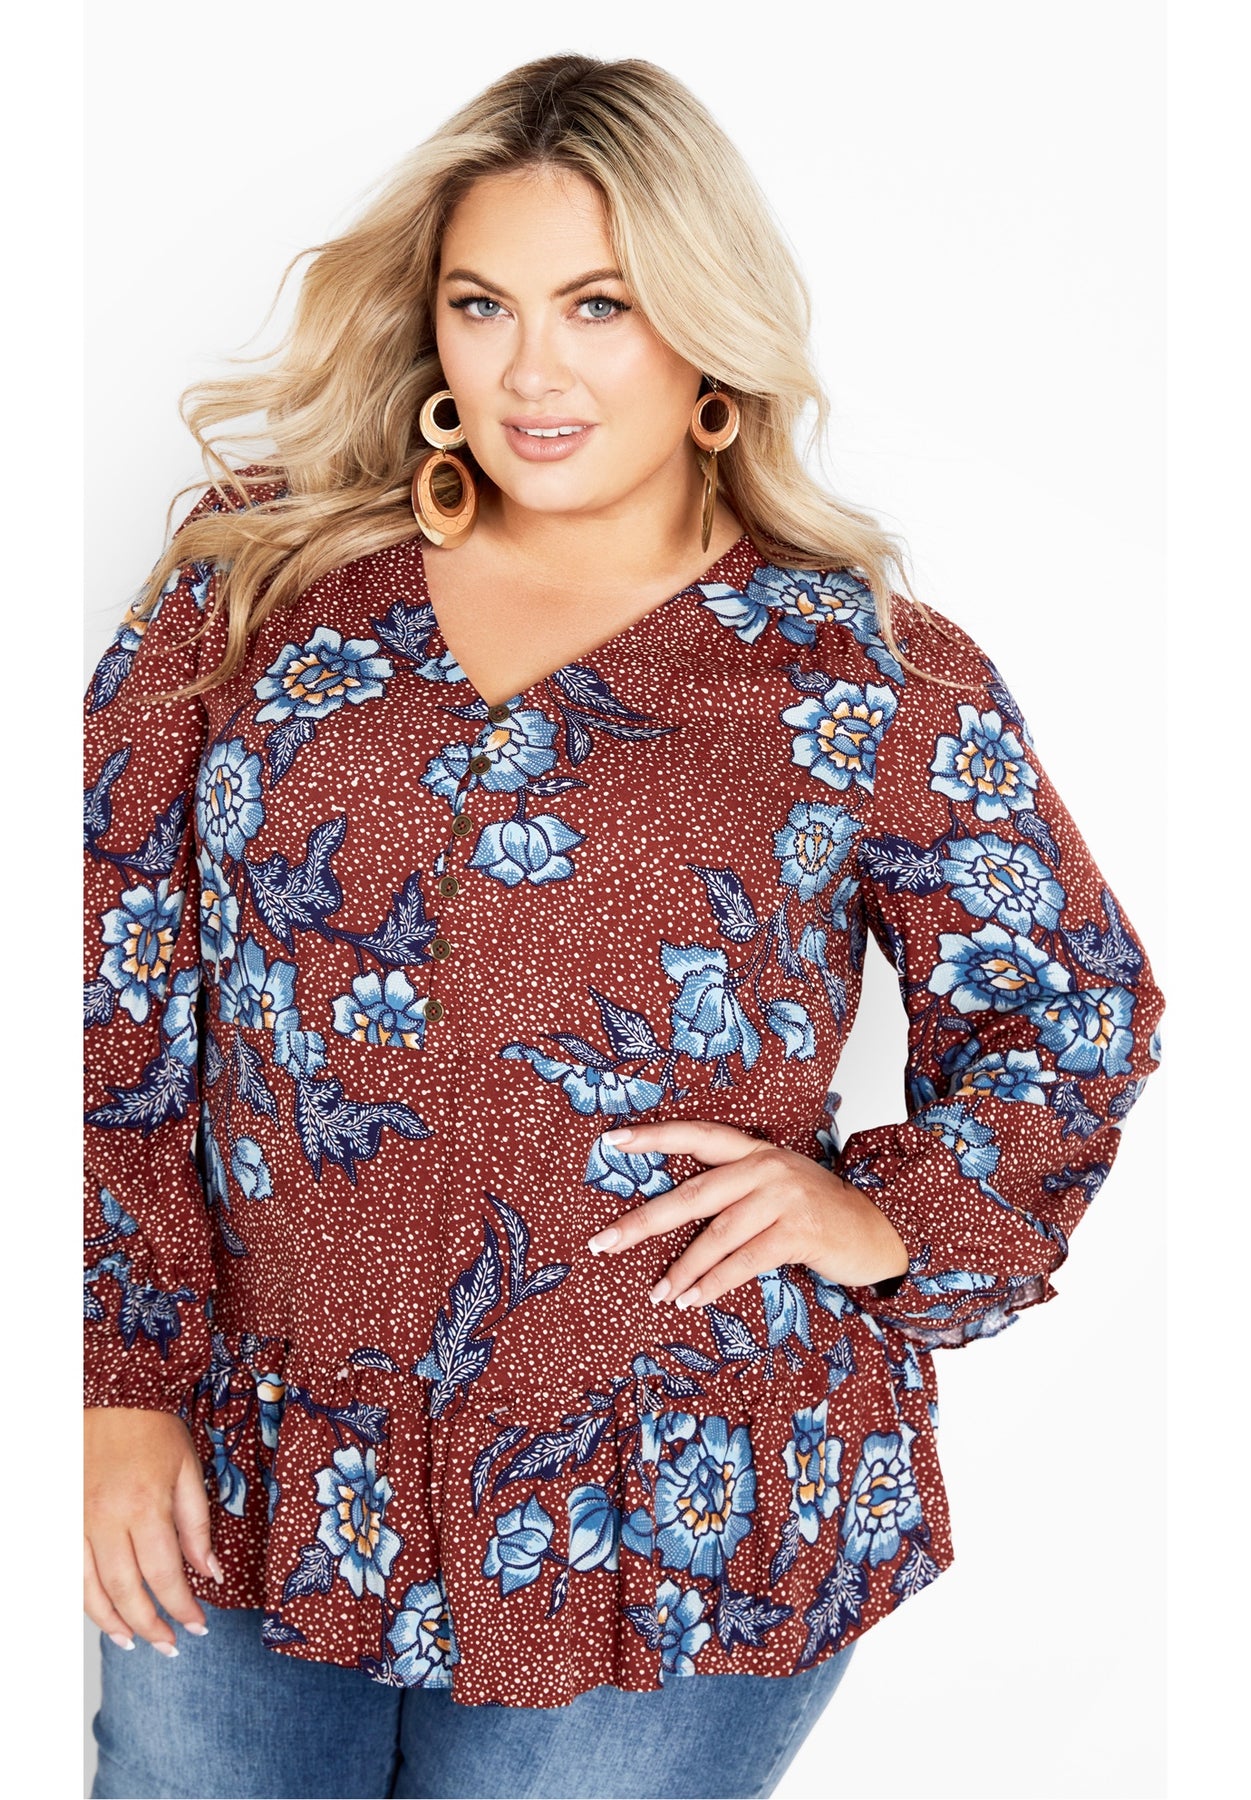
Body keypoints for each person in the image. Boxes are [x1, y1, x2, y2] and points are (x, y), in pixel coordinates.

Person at [82, 51, 1165, 1800]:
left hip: (671, 1496)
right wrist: (113, 1381)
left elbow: (1074, 1013)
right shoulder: (261, 586)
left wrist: (876, 1212)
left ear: (706, 333)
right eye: (481, 304)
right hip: (255, 1453)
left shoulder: (860, 672)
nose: (531, 369)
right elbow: (103, 990)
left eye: (599, 305)